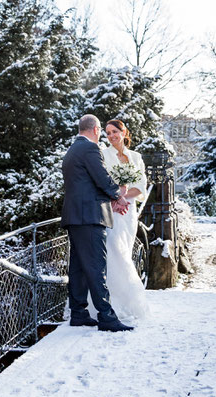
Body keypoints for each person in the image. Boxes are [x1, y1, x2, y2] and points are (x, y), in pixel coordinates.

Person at [61, 114, 134, 332]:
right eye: (101, 130)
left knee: (79, 267)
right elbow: (101, 177)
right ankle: (106, 317)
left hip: (75, 217)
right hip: (89, 216)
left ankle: (79, 313)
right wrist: (117, 195)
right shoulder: (90, 149)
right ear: (96, 129)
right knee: (96, 266)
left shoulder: (73, 149)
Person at [98, 119, 149, 320]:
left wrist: (123, 197)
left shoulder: (136, 157)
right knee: (113, 252)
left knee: (125, 253)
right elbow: (102, 183)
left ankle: (127, 303)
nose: (111, 136)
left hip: (128, 212)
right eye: (108, 133)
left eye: (114, 132)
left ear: (123, 131)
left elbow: (141, 186)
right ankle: (110, 303)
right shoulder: (103, 155)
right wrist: (114, 198)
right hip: (111, 210)